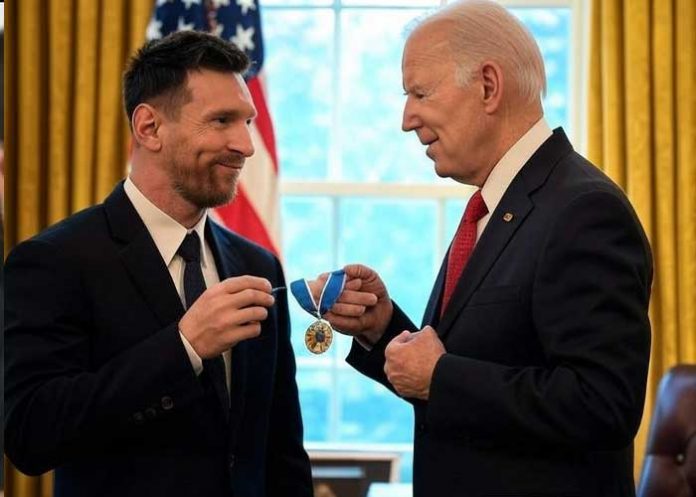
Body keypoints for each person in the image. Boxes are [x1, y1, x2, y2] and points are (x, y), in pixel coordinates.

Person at [309, 1, 652, 496]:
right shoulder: (497, 204)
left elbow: (602, 404)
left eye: (420, 93)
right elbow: (463, 367)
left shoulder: (584, 210)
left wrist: (441, 376)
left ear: (489, 86)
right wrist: (382, 329)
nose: (407, 119)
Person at [4, 31, 312, 497]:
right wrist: (184, 346)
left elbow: (281, 448)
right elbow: (30, 435)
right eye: (222, 121)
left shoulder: (258, 264)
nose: (245, 145)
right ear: (149, 128)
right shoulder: (53, 261)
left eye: (246, 122)